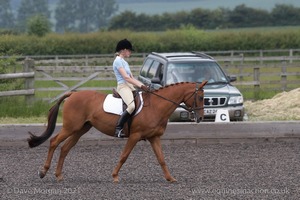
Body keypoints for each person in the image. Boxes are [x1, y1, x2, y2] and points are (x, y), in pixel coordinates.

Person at [113, 39, 148, 138]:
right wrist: (141, 86)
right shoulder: (117, 61)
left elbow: (132, 78)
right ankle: (118, 128)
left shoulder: (124, 62)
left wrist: (143, 86)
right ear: (123, 50)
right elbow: (126, 78)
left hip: (130, 86)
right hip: (123, 86)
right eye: (129, 50)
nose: (130, 52)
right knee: (131, 106)